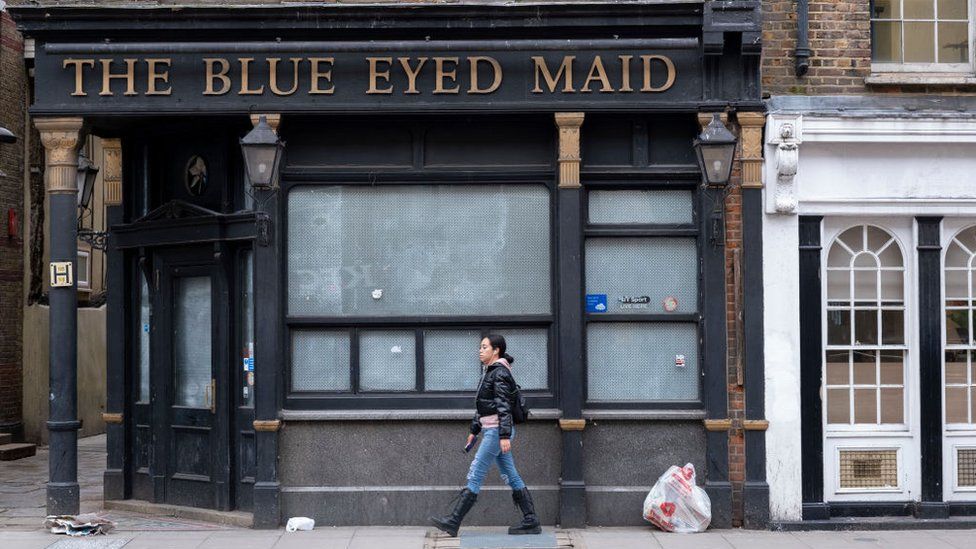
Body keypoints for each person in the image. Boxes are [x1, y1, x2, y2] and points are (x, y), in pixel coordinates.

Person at [429, 334, 541, 537]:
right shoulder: (490, 372)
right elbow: (483, 407)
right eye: (480, 347)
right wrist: (474, 431)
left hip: (497, 432)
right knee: (511, 475)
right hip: (492, 430)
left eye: (484, 347)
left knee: (476, 472)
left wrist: (504, 435)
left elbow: (503, 407)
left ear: (496, 350)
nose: (480, 350)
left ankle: (453, 521)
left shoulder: (499, 373)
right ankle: (531, 520)